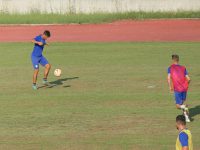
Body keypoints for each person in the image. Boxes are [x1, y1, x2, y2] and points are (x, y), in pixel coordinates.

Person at [167, 54, 191, 122]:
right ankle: (187, 118)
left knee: (178, 106)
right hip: (184, 88)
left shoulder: (170, 68)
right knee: (182, 103)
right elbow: (189, 79)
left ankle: (184, 108)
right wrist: (186, 85)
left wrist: (170, 87)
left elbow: (168, 78)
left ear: (172, 60)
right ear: (178, 60)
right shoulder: (183, 68)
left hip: (177, 89)